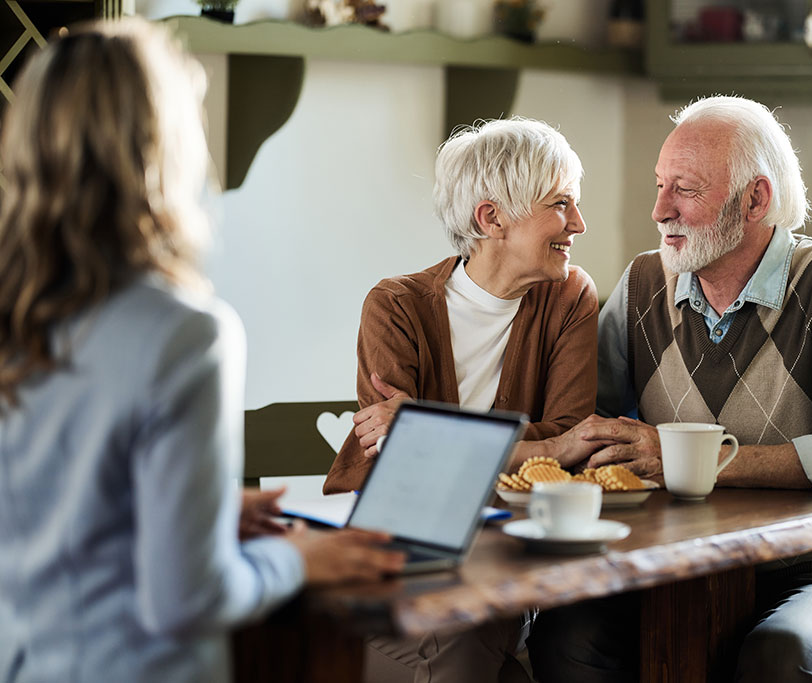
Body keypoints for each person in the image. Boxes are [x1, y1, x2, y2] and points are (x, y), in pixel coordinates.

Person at [0, 19, 404, 683]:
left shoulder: (17, 316)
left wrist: (200, 510)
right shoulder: (185, 334)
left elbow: (50, 514)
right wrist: (301, 559)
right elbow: (187, 598)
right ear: (163, 149)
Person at [527, 95, 812, 683]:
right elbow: (586, 425)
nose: (660, 210)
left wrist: (697, 463)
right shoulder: (642, 284)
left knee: (780, 657)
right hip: (672, 568)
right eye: (660, 185)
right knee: (564, 637)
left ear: (755, 199)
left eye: (685, 189)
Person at [322, 117, 599, 682]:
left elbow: (573, 442)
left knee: (465, 635)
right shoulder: (396, 306)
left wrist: (429, 428)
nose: (579, 223)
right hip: (395, 557)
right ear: (491, 218)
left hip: (503, 561)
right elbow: (401, 466)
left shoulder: (571, 297)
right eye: (561, 204)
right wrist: (544, 446)